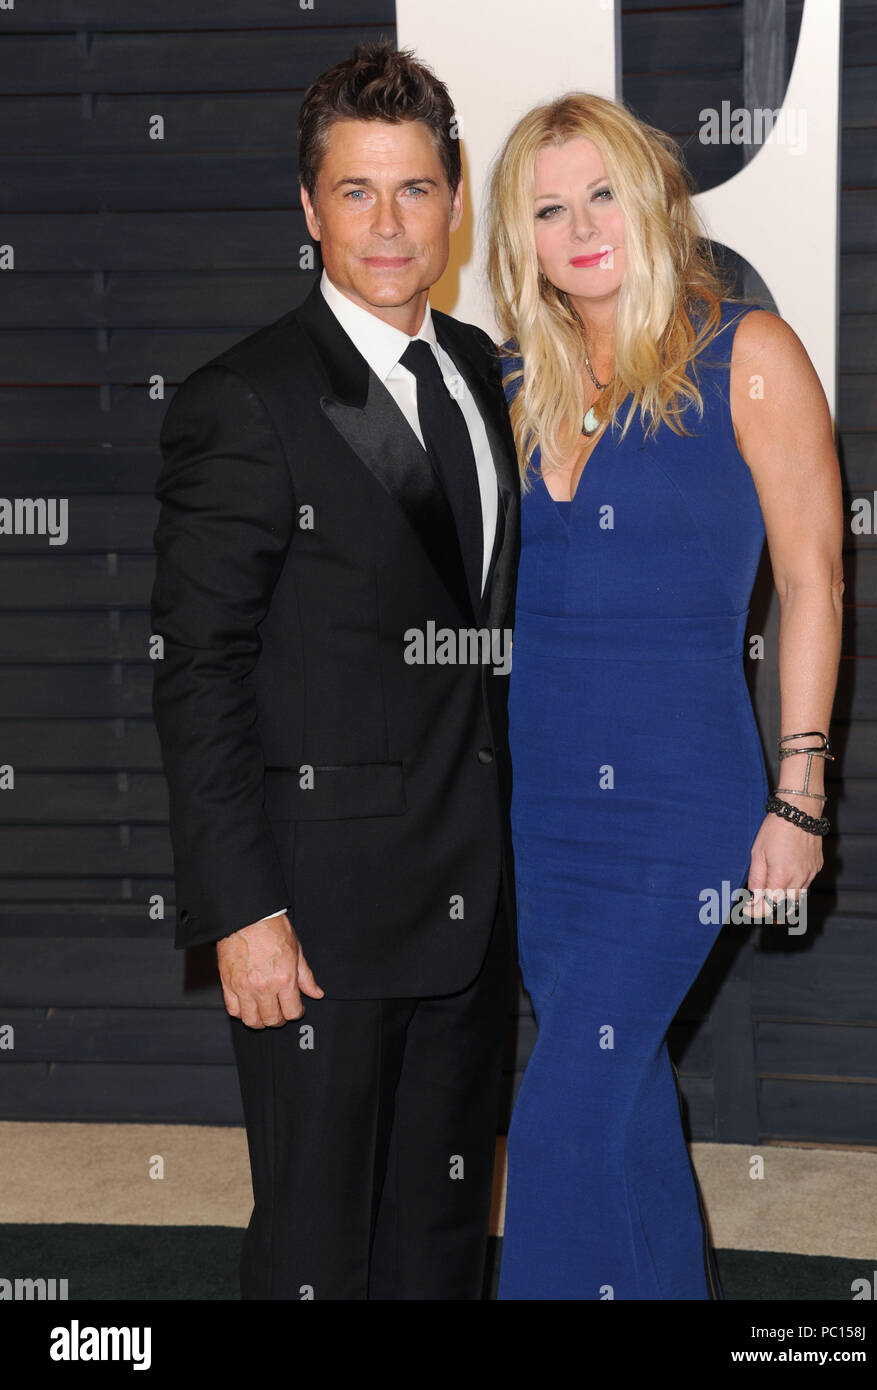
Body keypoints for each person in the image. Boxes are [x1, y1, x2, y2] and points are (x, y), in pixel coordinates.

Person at [150, 38, 520, 1300]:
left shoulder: (481, 373)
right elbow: (195, 667)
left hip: (470, 903)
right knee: (318, 1253)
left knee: (437, 1243)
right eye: (354, 191)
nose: (387, 223)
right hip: (316, 919)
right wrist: (242, 914)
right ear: (308, 209)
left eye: (414, 188)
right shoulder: (247, 401)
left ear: (455, 199)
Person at [485, 92, 844, 1300]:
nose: (580, 225)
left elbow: (812, 580)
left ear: (650, 200)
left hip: (678, 810)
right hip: (542, 816)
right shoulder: (510, 385)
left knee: (557, 1127)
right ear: (518, 236)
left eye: (600, 193)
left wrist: (798, 794)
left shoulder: (747, 354)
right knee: (624, 1107)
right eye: (548, 206)